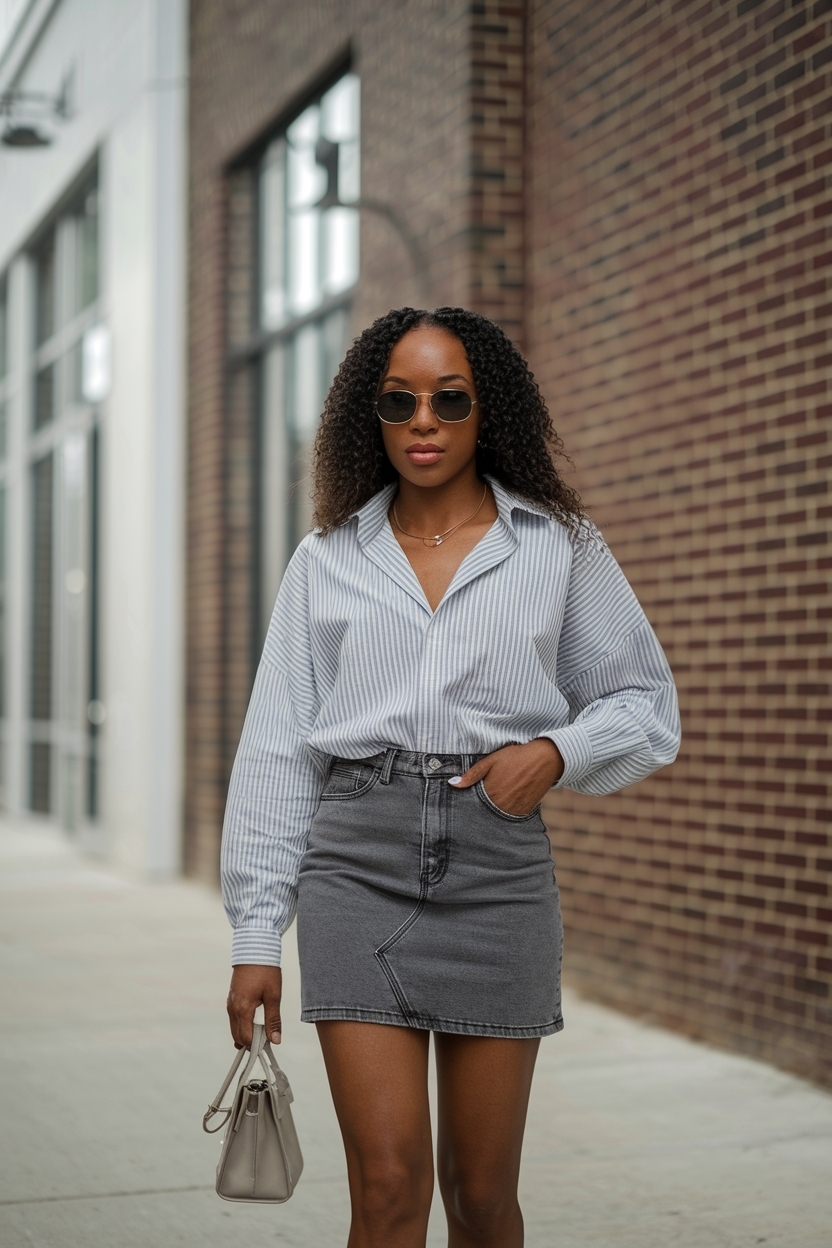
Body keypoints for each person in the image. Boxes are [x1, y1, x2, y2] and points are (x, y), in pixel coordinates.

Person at [221, 306, 681, 1248]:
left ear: (487, 411)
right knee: (388, 1193)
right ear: (372, 418)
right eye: (400, 401)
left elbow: (645, 705)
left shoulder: (558, 545)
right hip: (357, 865)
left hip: (497, 876)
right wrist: (256, 933)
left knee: (480, 1199)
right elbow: (278, 749)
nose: (423, 420)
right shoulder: (326, 560)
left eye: (449, 398)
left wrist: (555, 753)